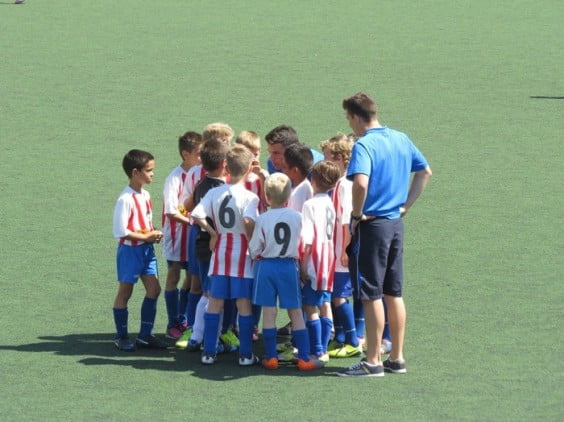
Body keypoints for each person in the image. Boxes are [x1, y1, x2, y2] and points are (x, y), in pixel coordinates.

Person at [337, 92, 432, 377]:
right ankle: (397, 358)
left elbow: (360, 184)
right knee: (394, 293)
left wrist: (356, 214)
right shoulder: (400, 138)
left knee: (370, 294)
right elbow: (425, 171)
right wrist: (405, 205)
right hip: (395, 225)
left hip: (373, 226)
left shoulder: (365, 145)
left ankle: (373, 361)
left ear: (355, 117)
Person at [191, 145, 260, 366]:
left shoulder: (214, 192)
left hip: (220, 252)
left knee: (215, 301)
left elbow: (196, 215)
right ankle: (246, 355)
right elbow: (249, 221)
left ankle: (208, 352)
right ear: (250, 168)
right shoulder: (250, 197)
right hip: (242, 254)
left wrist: (213, 233)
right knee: (243, 303)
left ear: (226, 167)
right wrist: (252, 240)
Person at [249, 173, 325, 371]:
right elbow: (304, 242)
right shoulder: (297, 217)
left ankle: (271, 357)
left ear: (266, 196)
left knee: (269, 310)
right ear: (289, 197)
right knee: (296, 311)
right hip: (289, 266)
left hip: (266, 266)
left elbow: (254, 248)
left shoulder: (262, 218)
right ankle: (304, 358)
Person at [175, 122, 234, 348]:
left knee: (212, 289)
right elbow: (188, 206)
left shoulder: (204, 179)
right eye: (226, 143)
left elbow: (191, 204)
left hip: (205, 237)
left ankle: (207, 333)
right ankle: (198, 333)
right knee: (204, 288)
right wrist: (211, 230)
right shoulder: (203, 178)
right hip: (209, 239)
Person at [111, 149, 167, 351]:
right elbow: (121, 231)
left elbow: (144, 223)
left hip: (146, 251)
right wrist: (146, 236)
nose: (152, 174)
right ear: (135, 172)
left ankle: (144, 336)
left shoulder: (145, 194)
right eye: (149, 170)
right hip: (130, 252)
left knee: (154, 289)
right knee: (125, 293)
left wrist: (154, 234)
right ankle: (121, 336)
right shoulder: (125, 199)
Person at [320, 134, 363, 358]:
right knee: (335, 295)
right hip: (334, 252)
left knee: (339, 297)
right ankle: (341, 338)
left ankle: (353, 340)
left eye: (327, 157)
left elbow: (347, 221)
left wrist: (345, 250)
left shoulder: (345, 186)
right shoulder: (337, 184)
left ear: (339, 158)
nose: (323, 161)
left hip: (340, 254)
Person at [161, 131, 203, 340]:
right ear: (186, 154)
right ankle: (172, 322)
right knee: (174, 275)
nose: (202, 157)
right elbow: (171, 211)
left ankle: (185, 318)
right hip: (176, 235)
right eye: (198, 153)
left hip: (192, 236)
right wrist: (193, 221)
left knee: (191, 277)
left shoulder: (197, 173)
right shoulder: (174, 178)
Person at [300, 161, 341, 362]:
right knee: (325, 303)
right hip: (328, 260)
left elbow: (307, 240)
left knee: (310, 307)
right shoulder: (330, 204)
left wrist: (302, 265)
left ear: (313, 180)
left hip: (314, 260)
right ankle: (324, 347)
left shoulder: (309, 205)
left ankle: (316, 349)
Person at [283, 143, 314, 213]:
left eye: (285, 167)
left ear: (295, 170)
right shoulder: (303, 187)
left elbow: (296, 221)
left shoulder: (299, 193)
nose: (283, 170)